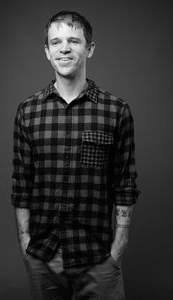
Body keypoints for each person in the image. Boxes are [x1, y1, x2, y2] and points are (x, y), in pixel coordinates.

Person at [11, 10, 140, 300]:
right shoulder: (28, 112)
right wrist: (25, 242)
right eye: (55, 42)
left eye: (73, 41)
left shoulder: (116, 111)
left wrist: (117, 250)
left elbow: (125, 185)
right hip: (43, 257)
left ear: (90, 48)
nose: (64, 48)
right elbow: (22, 183)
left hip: (97, 257)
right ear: (47, 52)